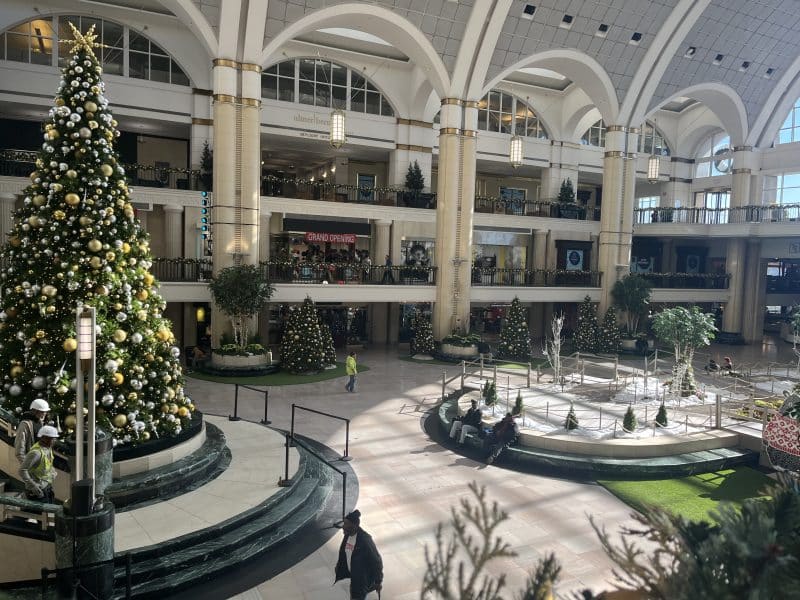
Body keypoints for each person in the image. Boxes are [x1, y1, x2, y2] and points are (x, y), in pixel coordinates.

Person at [334, 510, 383, 600]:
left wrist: (378, 581)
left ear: (355, 525)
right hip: (354, 576)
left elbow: (376, 561)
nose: (343, 527)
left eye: (346, 524)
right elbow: (344, 553)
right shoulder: (347, 535)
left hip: (361, 580)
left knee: (357, 596)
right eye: (344, 523)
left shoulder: (365, 540)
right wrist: (339, 565)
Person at [19, 425, 59, 503]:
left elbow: (48, 463)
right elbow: (22, 470)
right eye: (52, 439)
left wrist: (52, 472)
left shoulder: (48, 448)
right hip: (37, 492)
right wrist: (33, 486)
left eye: (55, 439)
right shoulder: (36, 453)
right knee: (35, 514)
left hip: (47, 487)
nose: (54, 441)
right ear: (44, 438)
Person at [14, 398, 50, 465]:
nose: (45, 414)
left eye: (45, 412)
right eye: (42, 412)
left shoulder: (40, 423)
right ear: (35, 411)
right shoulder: (25, 424)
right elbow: (19, 449)